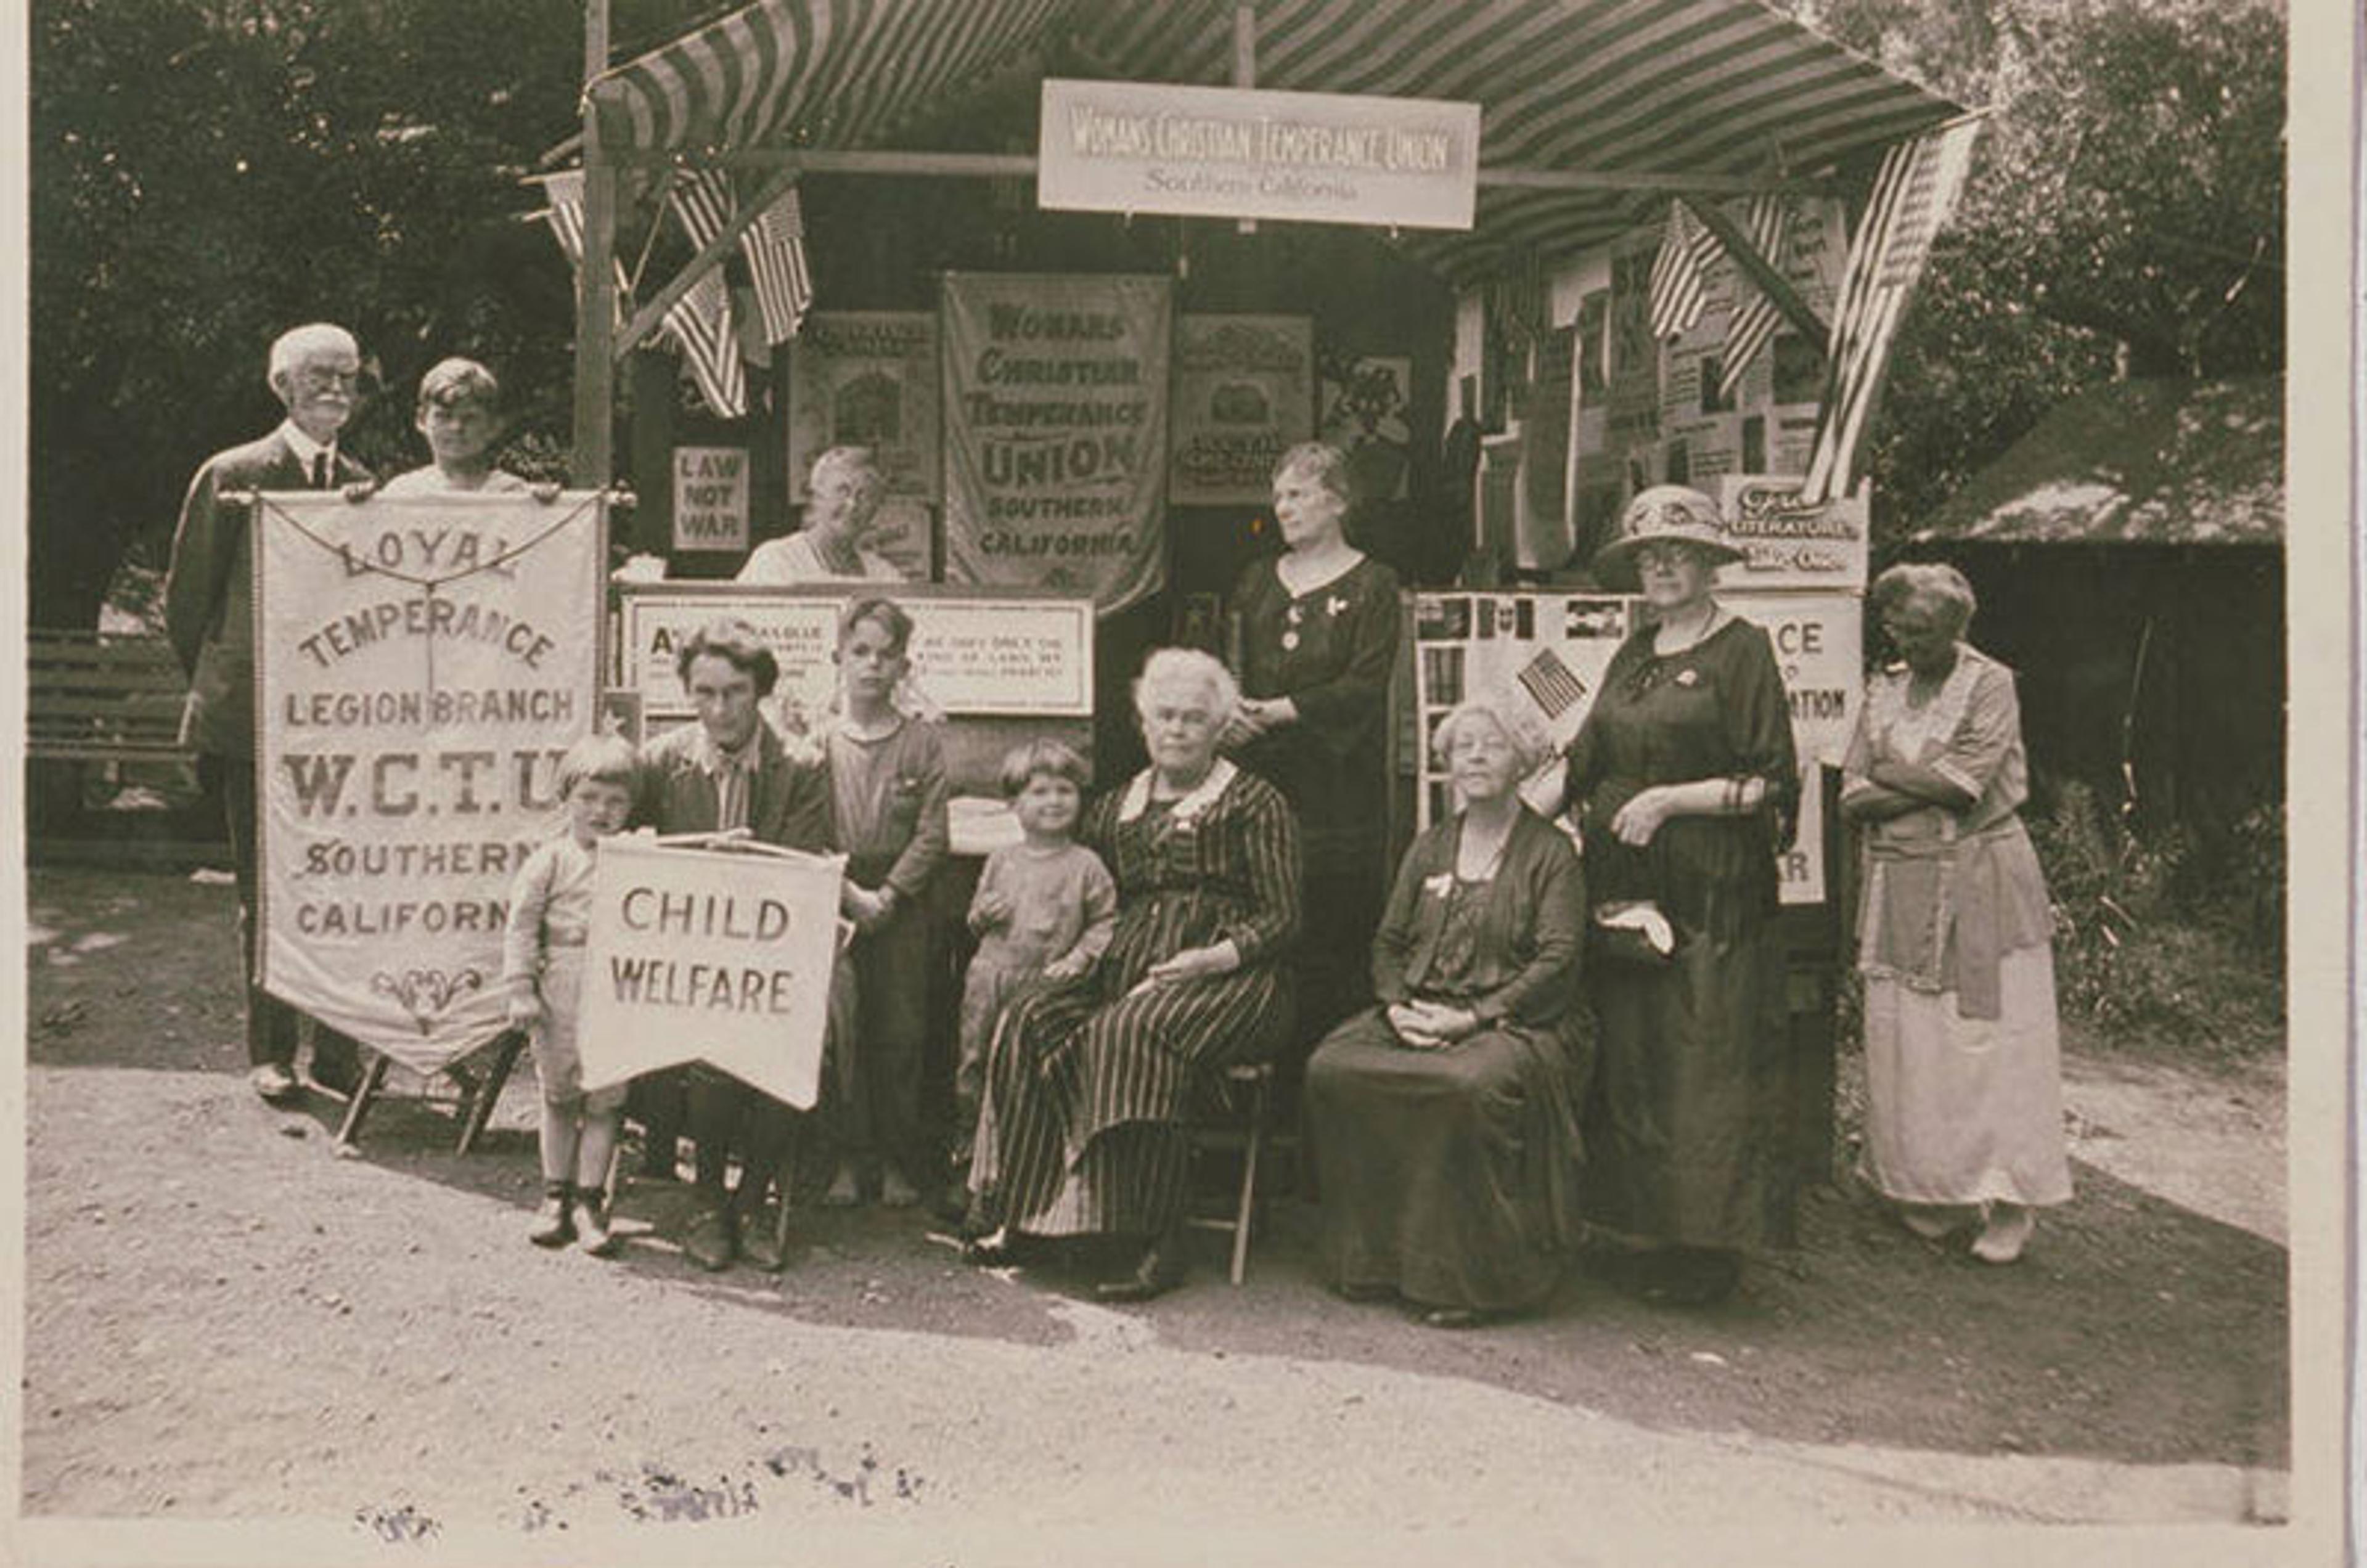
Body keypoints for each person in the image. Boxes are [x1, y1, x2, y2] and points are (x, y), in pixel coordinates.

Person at [967, 648, 1300, 1302]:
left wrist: (1210, 957)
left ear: (1221, 727)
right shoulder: (1116, 804)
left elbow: (1284, 918)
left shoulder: (1256, 802)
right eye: (1164, 716)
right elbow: (1090, 897)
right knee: (1029, 1015)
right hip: (1123, 963)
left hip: (1235, 976)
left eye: (1194, 719)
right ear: (1144, 724)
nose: (1176, 730)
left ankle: (1156, 1234)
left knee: (1130, 1032)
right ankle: (1029, 1216)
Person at [1560, 485, 1799, 1307]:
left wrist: (1668, 801)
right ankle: (1640, 1233)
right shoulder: (1635, 651)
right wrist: (1503, 821)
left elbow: (1771, 783)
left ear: (1708, 566)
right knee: (1635, 1055)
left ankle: (1707, 1252)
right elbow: (1584, 756)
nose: (1662, 567)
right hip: (1623, 884)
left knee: (1705, 1064)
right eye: (1648, 556)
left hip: (1712, 890)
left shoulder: (1745, 651)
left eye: (1680, 553)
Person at [1304, 697, 1590, 1328]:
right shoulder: (1431, 846)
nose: (1477, 757)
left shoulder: (1551, 854)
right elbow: (1389, 942)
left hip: (1517, 1022)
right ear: (1448, 765)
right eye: (1464, 747)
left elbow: (1558, 961)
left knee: (1467, 1085)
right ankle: (1374, 1263)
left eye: (1492, 745)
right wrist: (1398, 1006)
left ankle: (1477, 1280)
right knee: (1334, 1067)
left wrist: (1473, 1019)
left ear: (1522, 760)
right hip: (1420, 1009)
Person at [164, 322, 374, 1105]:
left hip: (341, 730)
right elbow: (188, 603)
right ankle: (272, 1052)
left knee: (345, 883)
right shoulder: (233, 473)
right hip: (252, 725)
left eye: (348, 377)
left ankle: (340, 1053)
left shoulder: (361, 481)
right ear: (281, 385)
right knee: (267, 888)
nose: (335, 390)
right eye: (318, 375)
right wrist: (228, 686)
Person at [1840, 563, 2072, 1265]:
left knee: (1990, 1041)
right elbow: (1849, 792)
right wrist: (1908, 786)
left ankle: (2009, 1200)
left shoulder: (1990, 684)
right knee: (1914, 1041)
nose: (1905, 640)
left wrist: (1888, 778)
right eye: (1896, 626)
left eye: (1921, 630)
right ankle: (1934, 1188)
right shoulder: (1882, 688)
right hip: (1898, 883)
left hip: (1981, 883)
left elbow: (1967, 786)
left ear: (1957, 629)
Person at [633, 617, 848, 1272]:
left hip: (775, 948)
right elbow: (629, 853)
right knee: (712, 1048)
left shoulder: (803, 765)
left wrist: (745, 864)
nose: (719, 709)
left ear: (760, 692)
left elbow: (804, 860)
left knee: (794, 1034)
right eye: (704, 693)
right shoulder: (663, 761)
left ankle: (754, 1198)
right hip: (689, 956)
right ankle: (706, 1202)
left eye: (734, 693)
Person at [1223, 440, 1401, 1048]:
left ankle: (1329, 1068)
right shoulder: (1254, 580)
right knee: (1263, 914)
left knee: (1330, 924)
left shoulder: (1376, 584)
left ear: (1338, 501)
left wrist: (1280, 712)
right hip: (1260, 779)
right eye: (1277, 496)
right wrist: (1233, 713)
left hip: (1337, 785)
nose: (1282, 507)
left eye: (1297, 494)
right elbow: (1233, 667)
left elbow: (1366, 684)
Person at [951, 738, 1118, 1223]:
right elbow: (973, 922)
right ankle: (968, 1168)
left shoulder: (1086, 865)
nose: (1053, 801)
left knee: (1026, 1080)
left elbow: (1107, 921)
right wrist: (983, 914)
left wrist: (1081, 958)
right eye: (1039, 791)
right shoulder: (1002, 860)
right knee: (974, 1070)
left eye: (1064, 790)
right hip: (991, 980)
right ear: (1014, 805)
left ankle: (1022, 1176)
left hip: (1042, 986)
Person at [819, 597, 949, 1208]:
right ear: (838, 658)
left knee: (899, 1034)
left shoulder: (922, 742)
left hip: (902, 901)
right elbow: (807, 825)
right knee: (842, 1031)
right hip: (835, 894)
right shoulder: (816, 742)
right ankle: (847, 1157)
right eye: (861, 652)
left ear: (903, 665)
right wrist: (849, 894)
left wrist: (890, 895)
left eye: (886, 654)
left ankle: (897, 1162)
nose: (873, 665)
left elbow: (932, 831)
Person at [502, 733, 639, 1256]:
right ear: (566, 799)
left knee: (605, 1100)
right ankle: (554, 1195)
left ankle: (590, 1199)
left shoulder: (635, 859)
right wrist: (520, 989)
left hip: (616, 987)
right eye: (589, 798)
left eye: (615, 801)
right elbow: (520, 927)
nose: (601, 811)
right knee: (559, 1095)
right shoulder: (549, 862)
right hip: (561, 982)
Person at [738, 446, 907, 585]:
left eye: (864, 496)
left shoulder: (884, 576)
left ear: (875, 509)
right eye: (843, 492)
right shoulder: (777, 561)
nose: (852, 505)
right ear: (817, 498)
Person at [378, 357, 532, 495]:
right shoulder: (403, 492)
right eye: (444, 417)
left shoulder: (512, 493)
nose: (456, 427)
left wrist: (547, 507)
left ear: (493, 426)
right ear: (422, 420)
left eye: (470, 418)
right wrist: (359, 508)